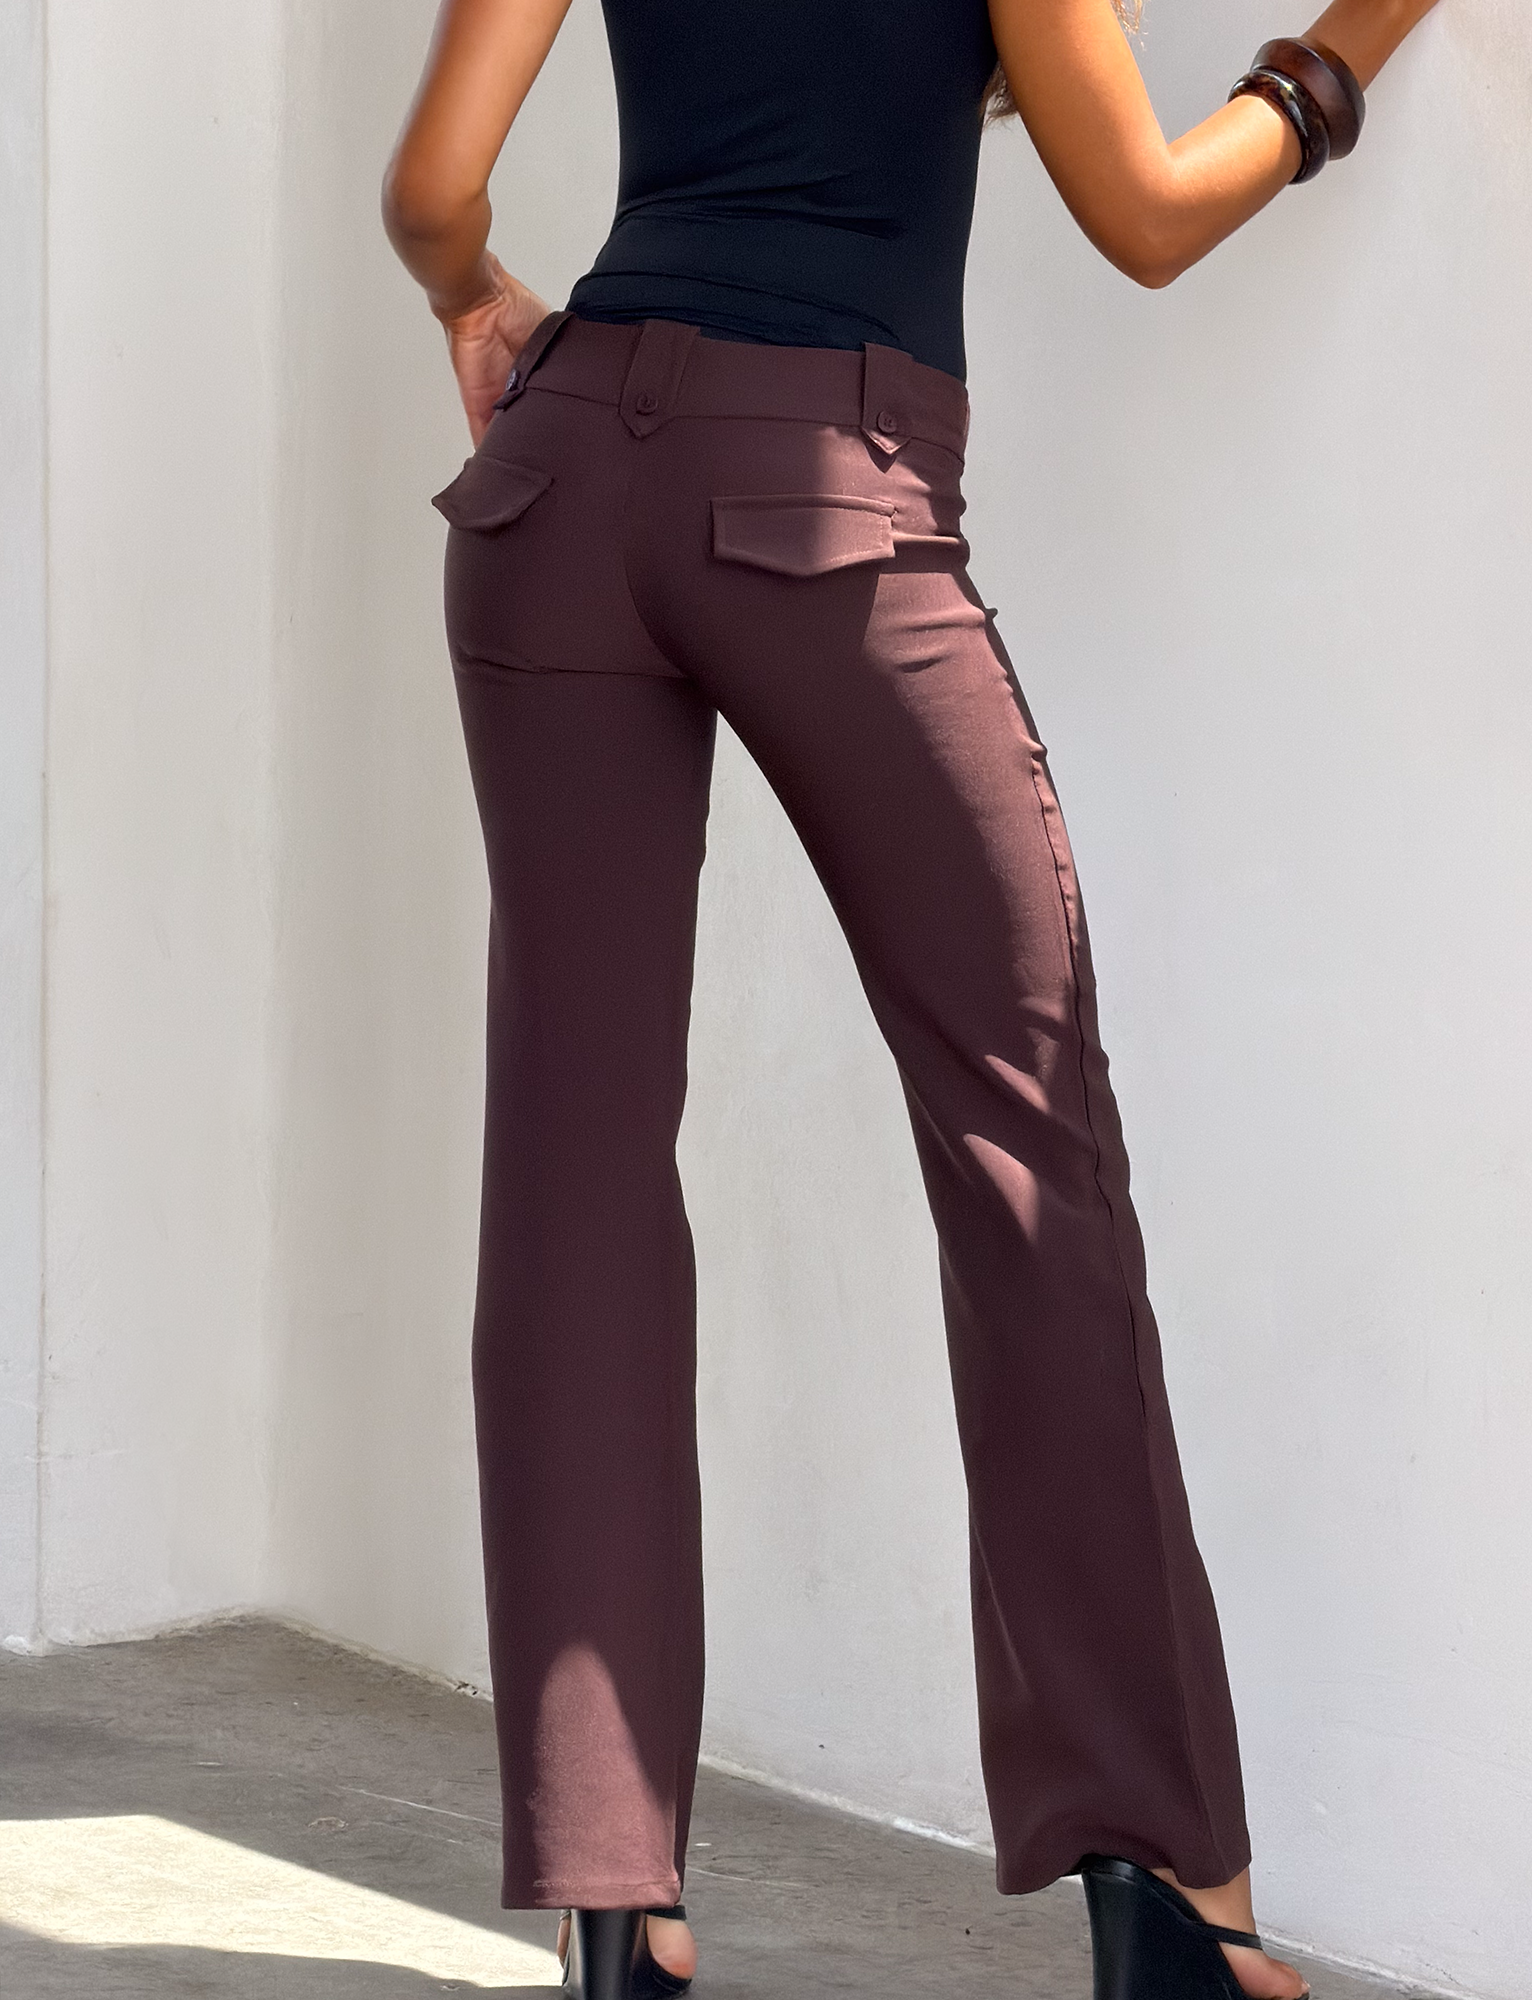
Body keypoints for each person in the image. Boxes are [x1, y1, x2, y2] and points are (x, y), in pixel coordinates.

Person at [382, 0, 1438, 1993]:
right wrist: (1342, 52)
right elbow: (1145, 212)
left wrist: (477, 300)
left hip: (552, 499)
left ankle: (618, 1902)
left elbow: (433, 185)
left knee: (576, 1171)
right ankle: (1160, 1881)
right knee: (1028, 1154)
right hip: (823, 493)